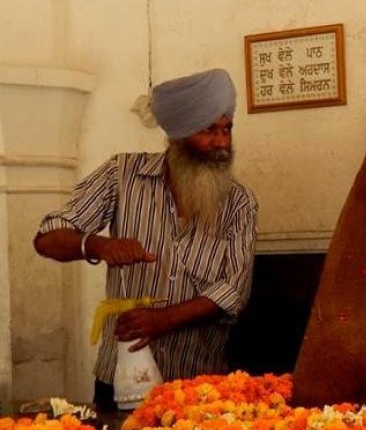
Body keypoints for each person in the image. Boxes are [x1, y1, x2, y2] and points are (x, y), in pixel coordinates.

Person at [34, 68, 258, 410]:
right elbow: (47, 237)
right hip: (122, 380)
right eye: (208, 130)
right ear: (178, 135)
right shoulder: (121, 175)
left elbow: (234, 291)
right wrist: (99, 245)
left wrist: (162, 320)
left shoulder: (239, 202)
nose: (222, 143)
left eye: (227, 129)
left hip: (199, 388)